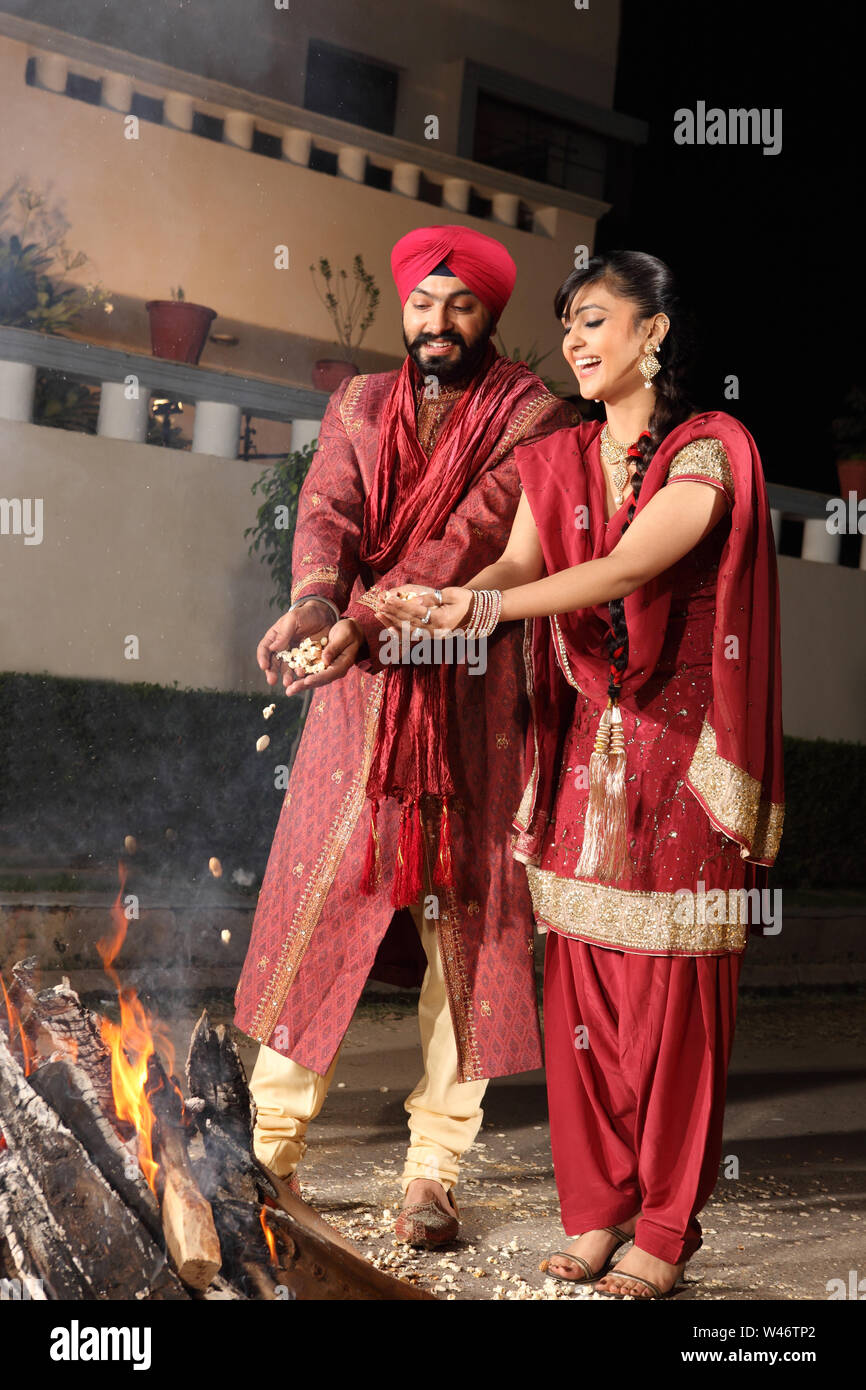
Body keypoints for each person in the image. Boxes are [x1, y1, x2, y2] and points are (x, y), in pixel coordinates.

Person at [379, 250, 785, 1294]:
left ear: (653, 332)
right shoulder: (557, 457)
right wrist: (454, 594)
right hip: (585, 743)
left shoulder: (710, 447)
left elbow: (627, 565)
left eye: (594, 319)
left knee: (670, 1005)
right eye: (566, 324)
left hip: (683, 751)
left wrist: (483, 609)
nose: (573, 341)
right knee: (589, 998)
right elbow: (521, 563)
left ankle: (660, 1229)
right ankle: (596, 1213)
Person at [234, 224, 576, 1246]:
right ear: (404, 309)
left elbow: (471, 532)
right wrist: (309, 606)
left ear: (489, 315)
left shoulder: (533, 414)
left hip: (470, 692)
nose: (436, 322)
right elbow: (329, 508)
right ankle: (270, 1148)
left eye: (458, 305)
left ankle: (433, 1171)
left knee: (462, 928)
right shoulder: (357, 403)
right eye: (422, 304)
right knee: (320, 904)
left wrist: (362, 621)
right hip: (356, 692)